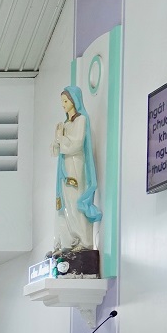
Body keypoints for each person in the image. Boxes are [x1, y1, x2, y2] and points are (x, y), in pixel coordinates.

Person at [52, 85, 102, 252]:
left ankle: (85, 241)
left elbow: (77, 144)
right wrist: (57, 138)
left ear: (74, 101)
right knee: (66, 204)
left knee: (76, 201)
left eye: (66, 101)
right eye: (62, 101)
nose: (63, 104)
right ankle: (71, 240)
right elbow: (56, 150)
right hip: (65, 166)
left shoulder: (81, 120)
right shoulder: (65, 124)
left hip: (75, 165)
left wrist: (61, 138)